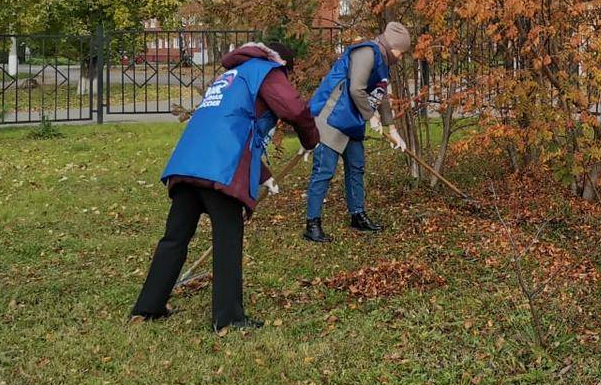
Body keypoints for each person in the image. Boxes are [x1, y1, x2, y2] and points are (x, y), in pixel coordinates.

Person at [131, 41, 320, 331]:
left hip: (189, 162)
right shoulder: (267, 70)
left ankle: (148, 307)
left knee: (175, 237)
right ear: (283, 64)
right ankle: (229, 319)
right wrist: (311, 141)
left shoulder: (231, 75)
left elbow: (230, 125)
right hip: (219, 167)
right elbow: (294, 110)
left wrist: (262, 174)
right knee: (228, 238)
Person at [302, 22, 410, 243]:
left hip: (351, 119)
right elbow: (355, 89)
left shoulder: (383, 64)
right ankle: (312, 224)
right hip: (332, 116)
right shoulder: (367, 52)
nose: (401, 56)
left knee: (356, 166)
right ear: (392, 46)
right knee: (324, 171)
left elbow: (380, 95)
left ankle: (357, 215)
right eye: (401, 51)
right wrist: (371, 117)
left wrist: (393, 129)